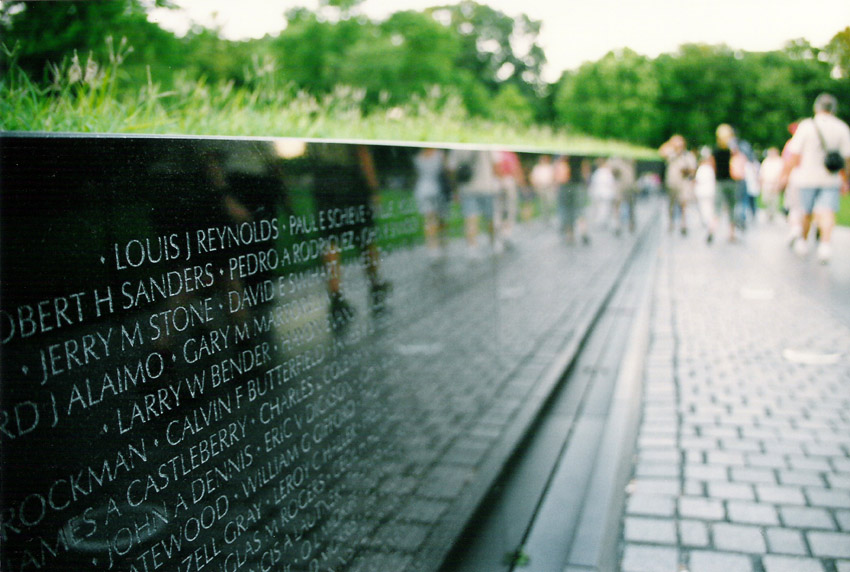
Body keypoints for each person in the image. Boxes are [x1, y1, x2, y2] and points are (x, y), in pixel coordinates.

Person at [781, 93, 850, 263]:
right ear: (833, 109)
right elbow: (847, 158)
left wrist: (785, 174)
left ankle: (803, 241)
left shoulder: (806, 126)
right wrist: (846, 178)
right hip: (830, 178)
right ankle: (825, 246)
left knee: (806, 212)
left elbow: (795, 154)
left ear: (817, 107)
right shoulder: (841, 127)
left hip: (806, 177)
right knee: (827, 212)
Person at [448, 148, 502, 256]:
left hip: (467, 189)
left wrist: (455, 188)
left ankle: (472, 247)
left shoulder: (457, 147)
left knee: (470, 219)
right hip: (487, 186)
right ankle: (493, 243)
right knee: (490, 218)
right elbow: (496, 164)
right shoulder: (487, 145)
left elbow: (451, 168)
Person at [413, 148, 448, 260]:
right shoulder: (440, 155)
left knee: (429, 220)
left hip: (423, 190)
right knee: (437, 219)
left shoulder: (418, 157)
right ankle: (438, 245)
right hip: (437, 189)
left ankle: (433, 247)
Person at [659, 134, 696, 235]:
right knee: (671, 204)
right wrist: (671, 144)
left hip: (683, 183)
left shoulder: (687, 155)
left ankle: (683, 224)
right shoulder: (671, 154)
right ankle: (671, 222)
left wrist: (687, 171)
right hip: (671, 183)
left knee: (683, 203)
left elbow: (693, 170)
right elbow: (661, 152)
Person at [711, 124, 739, 242]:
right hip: (731, 181)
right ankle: (731, 233)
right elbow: (737, 162)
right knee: (731, 207)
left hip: (719, 182)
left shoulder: (715, 151)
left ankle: (712, 229)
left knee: (717, 208)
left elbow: (713, 167)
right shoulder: (732, 151)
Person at [555, 156, 590, 244]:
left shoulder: (561, 152)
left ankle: (570, 235)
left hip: (565, 185)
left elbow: (558, 167)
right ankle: (583, 231)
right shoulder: (579, 153)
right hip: (577, 184)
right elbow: (585, 168)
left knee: (567, 210)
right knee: (579, 210)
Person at [694, 146, 717, 243]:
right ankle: (709, 223)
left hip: (703, 191)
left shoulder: (702, 169)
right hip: (710, 191)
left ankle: (708, 223)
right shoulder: (710, 169)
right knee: (709, 208)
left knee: (704, 208)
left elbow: (697, 181)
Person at [530, 155, 557, 225]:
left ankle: (551, 217)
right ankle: (544, 217)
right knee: (542, 203)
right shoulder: (537, 168)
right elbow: (533, 178)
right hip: (540, 187)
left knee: (550, 202)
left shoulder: (550, 167)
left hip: (548, 187)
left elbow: (554, 177)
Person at [759, 147, 784, 222]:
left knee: (774, 200)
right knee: (767, 199)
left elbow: (781, 173)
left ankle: (773, 214)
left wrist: (779, 183)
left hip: (775, 183)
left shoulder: (779, 161)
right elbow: (762, 173)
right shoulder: (766, 161)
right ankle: (768, 213)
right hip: (767, 183)